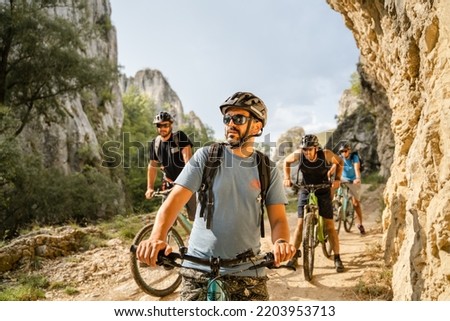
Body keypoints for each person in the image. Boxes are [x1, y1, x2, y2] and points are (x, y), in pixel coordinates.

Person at [136, 91, 296, 301]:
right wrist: (156, 237)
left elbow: (278, 219)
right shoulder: (206, 156)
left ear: (257, 126)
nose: (230, 123)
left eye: (238, 118)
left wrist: (282, 241)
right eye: (227, 118)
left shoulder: (267, 168)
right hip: (197, 268)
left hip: (247, 271)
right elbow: (174, 201)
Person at [283, 134, 345, 272]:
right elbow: (286, 162)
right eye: (304, 149)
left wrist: (337, 178)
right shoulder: (299, 155)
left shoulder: (326, 154)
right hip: (306, 189)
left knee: (329, 225)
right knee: (300, 225)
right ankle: (293, 257)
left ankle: (337, 258)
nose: (306, 152)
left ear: (316, 148)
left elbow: (340, 162)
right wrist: (286, 178)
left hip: (323, 189)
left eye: (309, 149)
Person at [145, 111, 196, 220]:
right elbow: (152, 166)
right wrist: (150, 188)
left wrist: (188, 179)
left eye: (165, 125)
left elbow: (188, 160)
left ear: (171, 125)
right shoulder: (155, 144)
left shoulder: (179, 137)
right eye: (159, 125)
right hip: (169, 184)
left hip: (187, 182)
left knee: (196, 217)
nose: (162, 128)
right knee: (165, 217)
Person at [338, 143, 365, 234]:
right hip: (343, 179)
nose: (343, 153)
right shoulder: (339, 158)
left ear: (349, 151)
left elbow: (357, 169)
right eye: (341, 151)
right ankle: (337, 203)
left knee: (356, 203)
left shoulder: (354, 158)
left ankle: (360, 224)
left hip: (353, 180)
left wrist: (357, 178)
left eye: (345, 151)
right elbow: (335, 168)